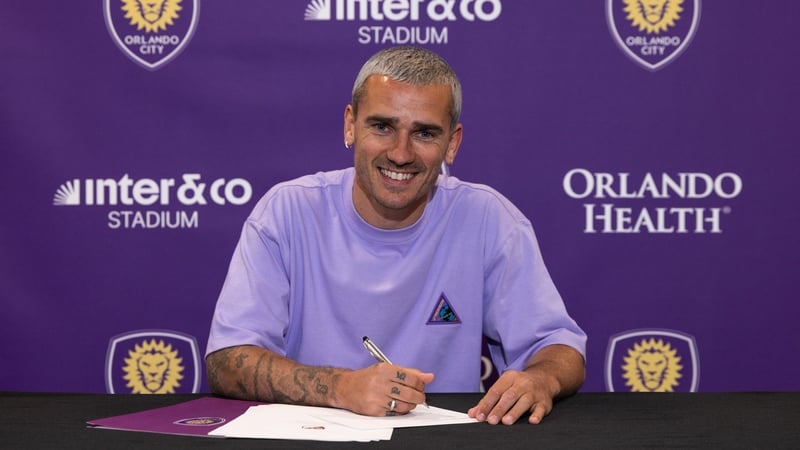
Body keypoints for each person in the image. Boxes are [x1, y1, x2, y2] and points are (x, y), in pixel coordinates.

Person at [205, 46, 586, 426]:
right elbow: (227, 361)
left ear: (452, 143)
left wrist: (541, 378)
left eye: (424, 133)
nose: (401, 154)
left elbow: (559, 347)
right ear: (350, 125)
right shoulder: (287, 212)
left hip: (448, 440)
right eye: (382, 127)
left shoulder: (488, 218)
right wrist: (341, 388)